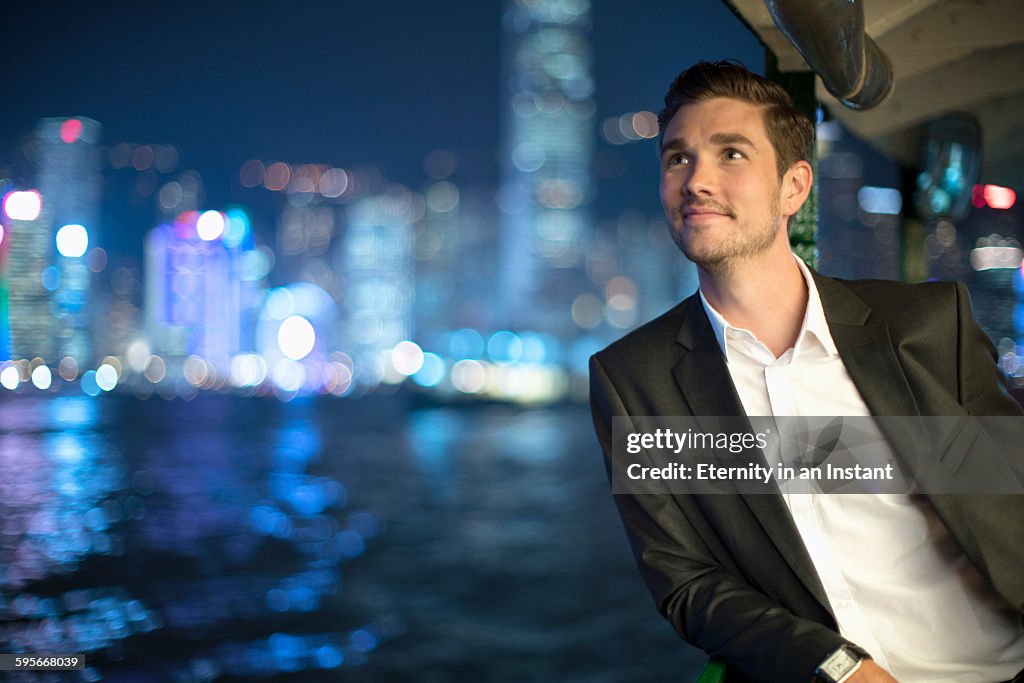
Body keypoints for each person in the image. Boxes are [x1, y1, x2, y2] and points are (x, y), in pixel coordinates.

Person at [589, 60, 1024, 683]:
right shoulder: (635, 379)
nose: (696, 180)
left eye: (731, 154)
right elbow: (686, 583)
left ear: (794, 188)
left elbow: (1009, 494)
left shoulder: (926, 323)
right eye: (677, 158)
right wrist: (843, 669)